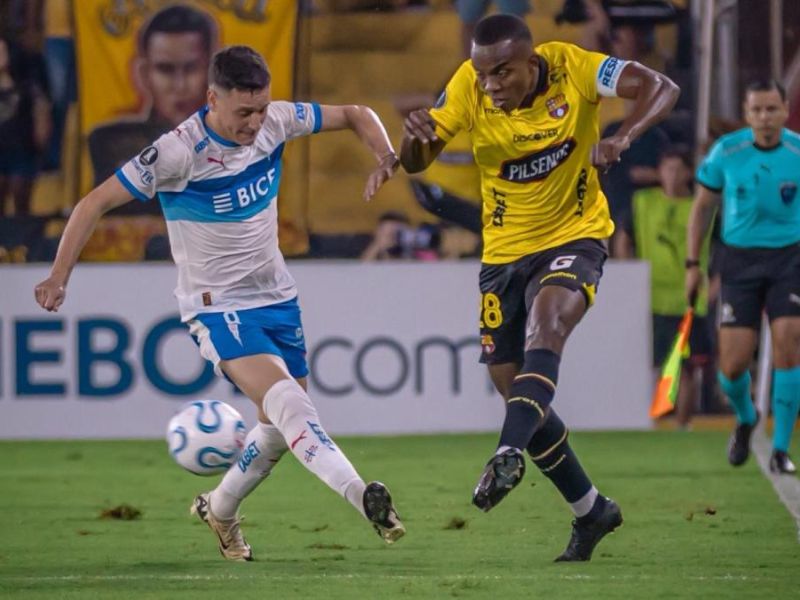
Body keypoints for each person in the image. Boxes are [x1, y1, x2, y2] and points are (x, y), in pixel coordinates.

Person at [34, 45, 405, 560]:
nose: (255, 123)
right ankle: (362, 494)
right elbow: (93, 202)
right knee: (294, 405)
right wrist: (58, 275)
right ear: (212, 99)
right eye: (243, 112)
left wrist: (385, 156)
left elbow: (355, 114)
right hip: (217, 305)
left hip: (278, 296)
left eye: (261, 108)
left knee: (277, 428)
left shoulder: (277, 120)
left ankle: (221, 507)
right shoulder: (177, 152)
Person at [400, 14, 679, 561]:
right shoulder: (468, 85)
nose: (490, 85)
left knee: (546, 326)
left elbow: (661, 87)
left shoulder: (574, 66)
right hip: (503, 254)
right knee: (516, 391)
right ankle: (592, 510)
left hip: (576, 235)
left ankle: (506, 453)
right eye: (483, 75)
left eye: (502, 72)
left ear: (532, 61)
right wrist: (415, 142)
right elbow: (419, 161)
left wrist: (624, 135)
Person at [687, 80, 800, 475]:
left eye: (772, 109)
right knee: (732, 368)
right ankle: (747, 415)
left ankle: (781, 449)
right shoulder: (726, 152)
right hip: (738, 260)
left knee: (789, 342)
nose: (765, 118)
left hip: (790, 258)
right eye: (757, 110)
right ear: (746, 112)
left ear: (786, 110)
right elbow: (701, 209)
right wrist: (692, 265)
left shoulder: (797, 152)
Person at [616, 146, 712, 428]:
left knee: (688, 367)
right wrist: (630, 275)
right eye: (666, 168)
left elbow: (720, 248)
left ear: (688, 173)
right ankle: (655, 422)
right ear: (659, 172)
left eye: (677, 169)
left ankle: (683, 426)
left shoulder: (701, 207)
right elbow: (623, 237)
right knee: (656, 365)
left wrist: (713, 285)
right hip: (652, 297)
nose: (671, 175)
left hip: (692, 299)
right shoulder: (643, 202)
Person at [88, 4, 215, 192]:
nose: (179, 86)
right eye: (165, 69)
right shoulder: (111, 144)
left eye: (190, 68)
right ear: (144, 74)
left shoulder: (238, 143)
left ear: (212, 71)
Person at [0, 35, 51, 216]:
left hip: (21, 151)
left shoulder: (26, 85)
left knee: (20, 196)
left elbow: (42, 111)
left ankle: (23, 241)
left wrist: (41, 140)